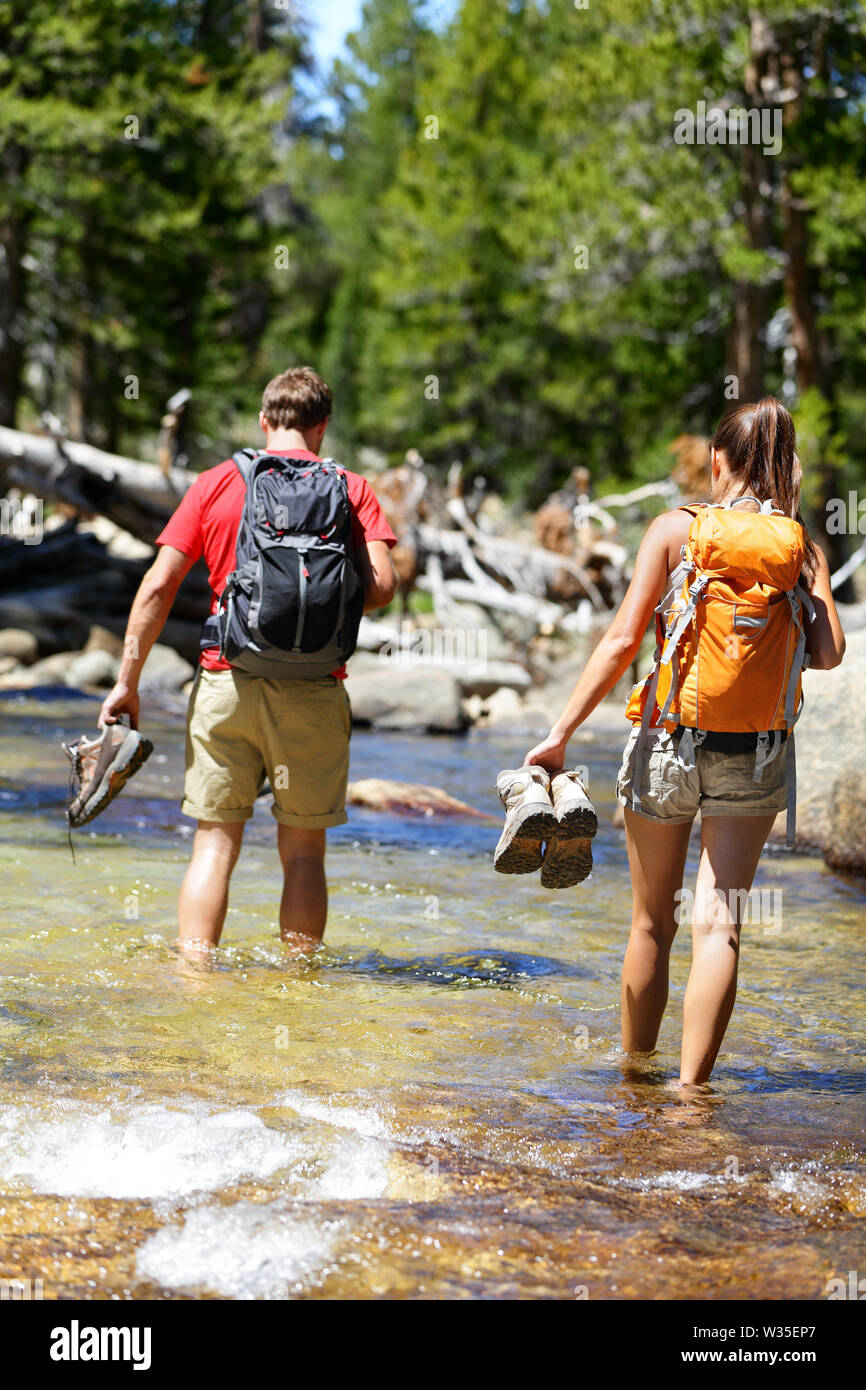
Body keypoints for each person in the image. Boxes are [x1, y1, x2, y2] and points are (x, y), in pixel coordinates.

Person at [525, 398, 845, 1086]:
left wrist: (559, 736)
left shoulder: (676, 531)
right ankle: (691, 1093)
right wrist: (808, 579)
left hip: (667, 746)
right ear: (786, 467)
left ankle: (635, 1079)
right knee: (719, 924)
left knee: (650, 926)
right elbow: (829, 655)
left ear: (718, 461)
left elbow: (619, 641)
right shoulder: (797, 544)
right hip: (757, 754)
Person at [98, 366, 398, 950]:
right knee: (305, 853)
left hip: (225, 679)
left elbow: (159, 587)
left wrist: (127, 680)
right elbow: (383, 589)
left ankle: (195, 979)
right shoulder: (351, 487)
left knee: (214, 842)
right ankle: (298, 988)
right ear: (323, 427)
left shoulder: (216, 482)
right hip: (313, 688)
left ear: (265, 422)